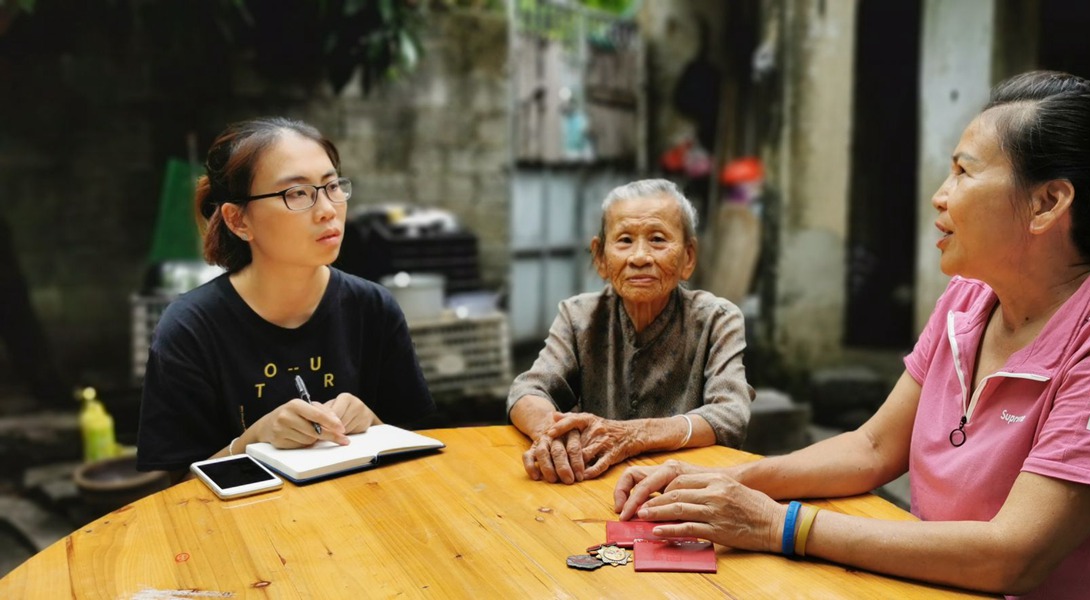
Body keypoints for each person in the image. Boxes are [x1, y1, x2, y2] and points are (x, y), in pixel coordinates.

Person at [612, 71, 1090, 598]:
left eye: (963, 172)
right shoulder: (970, 301)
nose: (940, 195)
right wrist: (726, 483)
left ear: (1047, 203)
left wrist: (780, 525)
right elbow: (873, 449)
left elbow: (1015, 555)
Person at [137, 117, 438, 476]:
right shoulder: (190, 328)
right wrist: (253, 439)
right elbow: (174, 491)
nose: (328, 208)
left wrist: (372, 421)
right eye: (296, 193)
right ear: (238, 221)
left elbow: (420, 446)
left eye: (331, 186)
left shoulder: (372, 307)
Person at [508, 178, 754, 484]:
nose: (639, 257)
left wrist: (632, 434)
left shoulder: (717, 319)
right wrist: (553, 434)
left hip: (682, 487)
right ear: (600, 257)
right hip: (594, 482)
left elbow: (730, 415)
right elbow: (527, 391)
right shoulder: (579, 316)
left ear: (688, 258)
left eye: (658, 239)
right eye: (624, 240)